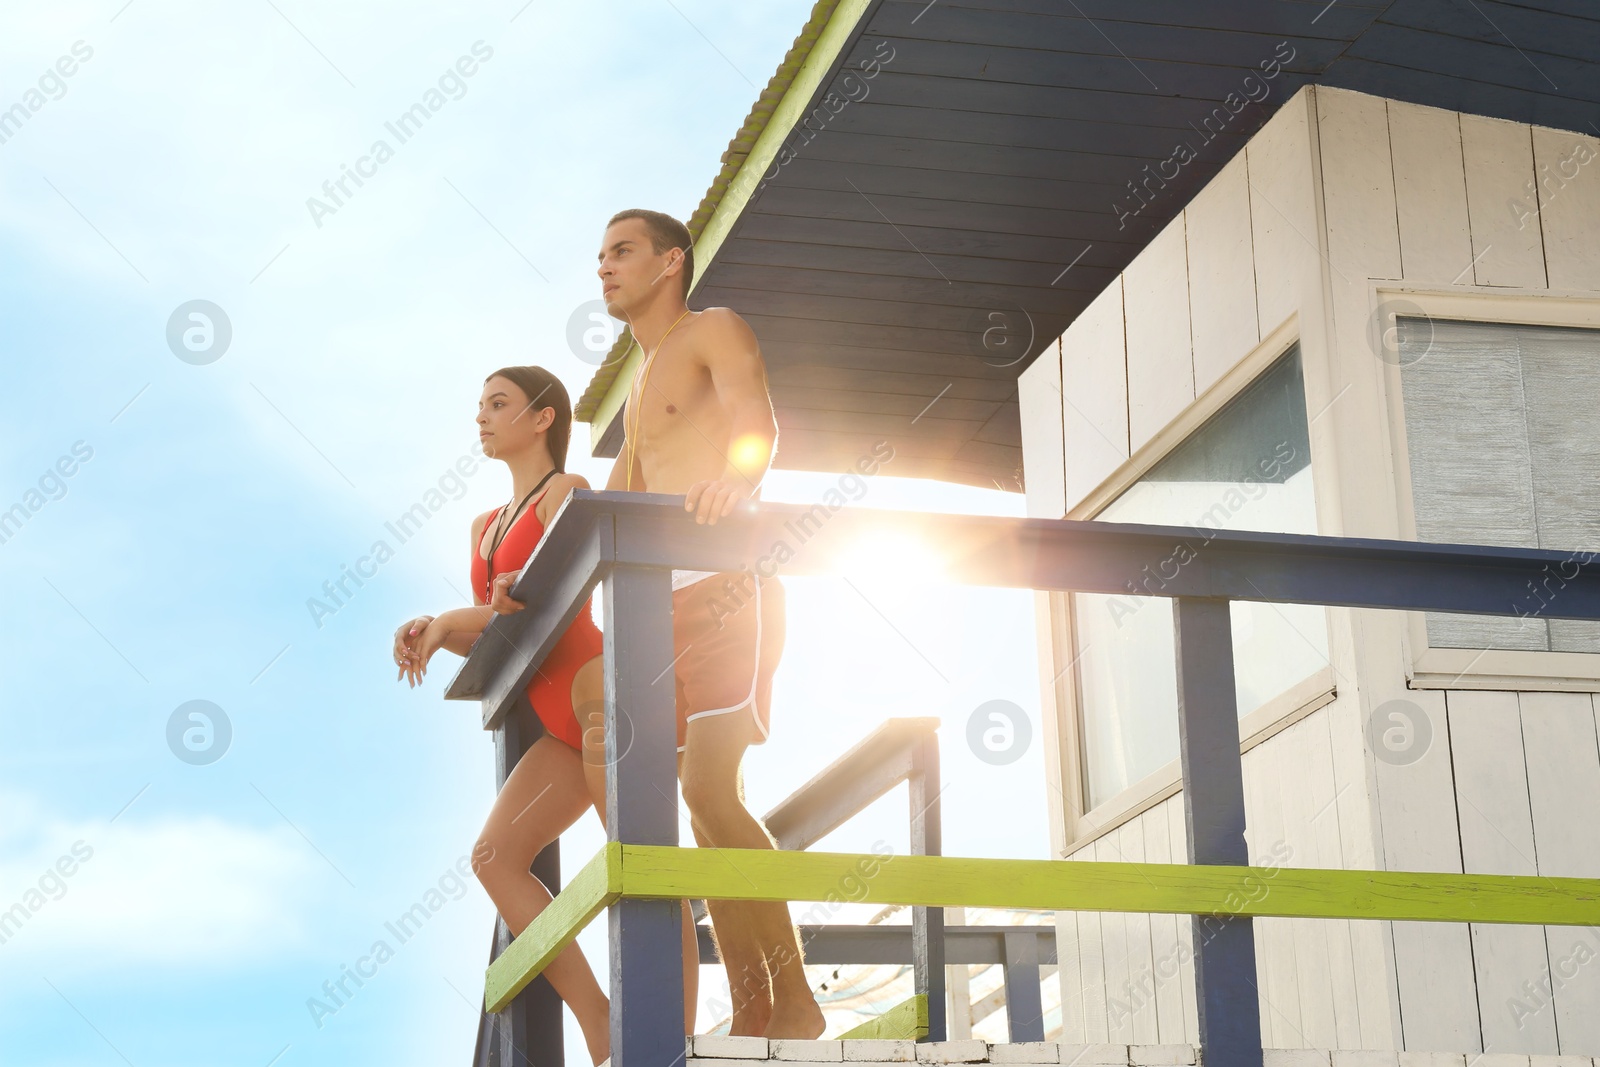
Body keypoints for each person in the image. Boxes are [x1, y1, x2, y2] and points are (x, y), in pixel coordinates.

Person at [490, 210, 825, 1040]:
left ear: (670, 260)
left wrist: (740, 484)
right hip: (662, 610)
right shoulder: (637, 390)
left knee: (711, 787)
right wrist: (520, 586)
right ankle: (753, 1007)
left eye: (623, 251)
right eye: (599, 255)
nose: (604, 267)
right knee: (692, 796)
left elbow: (757, 422)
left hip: (729, 590)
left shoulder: (714, 328)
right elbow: (602, 510)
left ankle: (794, 1003)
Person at [391, 365, 695, 1063]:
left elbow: (535, 596)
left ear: (543, 418)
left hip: (598, 693)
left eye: (498, 404)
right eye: (479, 406)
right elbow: (503, 628)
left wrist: (450, 620)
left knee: (638, 854)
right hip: (555, 718)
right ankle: (598, 1021)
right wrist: (434, 633)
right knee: (495, 857)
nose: (482, 417)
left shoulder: (567, 491)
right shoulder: (481, 526)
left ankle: (667, 1034)